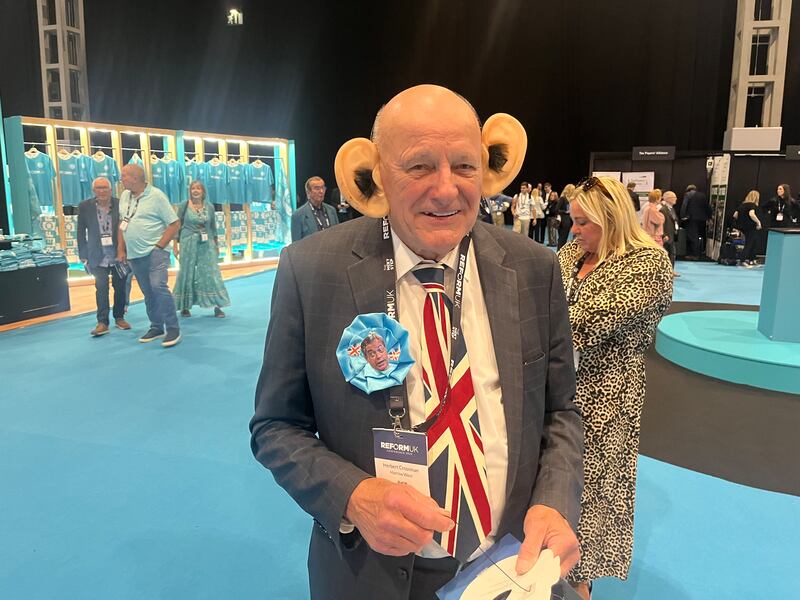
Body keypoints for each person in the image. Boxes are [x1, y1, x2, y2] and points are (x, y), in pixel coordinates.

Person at [250, 84, 583, 599]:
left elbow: (562, 412)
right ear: (378, 172)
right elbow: (275, 427)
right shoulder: (312, 270)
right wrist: (354, 496)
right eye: (420, 166)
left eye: (465, 166)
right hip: (370, 575)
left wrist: (554, 500)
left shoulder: (534, 268)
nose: (447, 189)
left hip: (509, 569)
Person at [557, 176, 673, 600]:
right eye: (573, 221)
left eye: (583, 222)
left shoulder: (648, 264)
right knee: (557, 480)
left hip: (608, 397)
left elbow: (584, 324)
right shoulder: (573, 251)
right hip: (560, 389)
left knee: (594, 492)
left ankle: (580, 583)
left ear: (611, 219)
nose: (574, 230)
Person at [116, 164, 182, 347]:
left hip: (155, 252)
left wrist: (159, 246)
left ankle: (173, 328)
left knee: (158, 286)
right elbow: (123, 223)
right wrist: (121, 249)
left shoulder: (157, 196)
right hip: (134, 254)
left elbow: (174, 223)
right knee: (147, 292)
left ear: (136, 178)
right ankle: (156, 326)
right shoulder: (124, 196)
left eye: (124, 176)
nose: (121, 179)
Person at [77, 177, 131, 336]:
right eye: (98, 188)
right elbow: (80, 232)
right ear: (94, 190)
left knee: (120, 287)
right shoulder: (85, 206)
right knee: (101, 289)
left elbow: (126, 228)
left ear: (111, 189)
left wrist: (126, 251)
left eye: (105, 188)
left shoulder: (120, 204)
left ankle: (119, 317)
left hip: (118, 254)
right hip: (96, 255)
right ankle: (102, 322)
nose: (102, 191)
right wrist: (83, 254)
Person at [173, 181, 231, 317]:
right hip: (188, 242)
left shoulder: (209, 207)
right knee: (187, 273)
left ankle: (217, 305)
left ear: (203, 191)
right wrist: (175, 245)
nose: (195, 191)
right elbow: (176, 225)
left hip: (207, 243)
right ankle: (185, 306)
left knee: (211, 273)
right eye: (193, 188)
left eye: (198, 188)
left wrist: (216, 245)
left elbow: (213, 227)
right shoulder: (184, 205)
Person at [291, 176, 339, 241]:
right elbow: (295, 246)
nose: (321, 191)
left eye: (323, 188)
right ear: (308, 192)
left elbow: (338, 235)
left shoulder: (331, 210)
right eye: (317, 188)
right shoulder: (298, 215)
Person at [732, 190, 763, 268]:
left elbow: (735, 215)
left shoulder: (742, 205)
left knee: (753, 242)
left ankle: (752, 260)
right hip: (750, 227)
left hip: (742, 227)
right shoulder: (752, 205)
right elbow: (751, 214)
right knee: (749, 244)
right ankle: (743, 260)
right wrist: (758, 222)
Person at [680, 184, 711, 258]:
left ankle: (694, 254)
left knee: (693, 236)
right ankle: (701, 252)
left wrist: (682, 216)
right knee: (700, 236)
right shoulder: (703, 195)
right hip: (702, 219)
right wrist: (709, 217)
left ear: (688, 190)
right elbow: (708, 207)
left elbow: (684, 205)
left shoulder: (688, 195)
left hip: (691, 218)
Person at [660, 191, 680, 277]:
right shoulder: (662, 209)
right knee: (666, 254)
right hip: (666, 236)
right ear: (668, 199)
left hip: (672, 234)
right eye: (673, 197)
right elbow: (661, 223)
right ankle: (665, 271)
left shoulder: (671, 208)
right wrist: (663, 234)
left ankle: (671, 270)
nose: (675, 199)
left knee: (672, 253)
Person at [556, 184, 575, 249]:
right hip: (563, 221)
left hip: (569, 221)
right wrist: (565, 212)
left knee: (565, 238)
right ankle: (559, 253)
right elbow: (557, 209)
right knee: (562, 238)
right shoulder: (562, 198)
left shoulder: (571, 199)